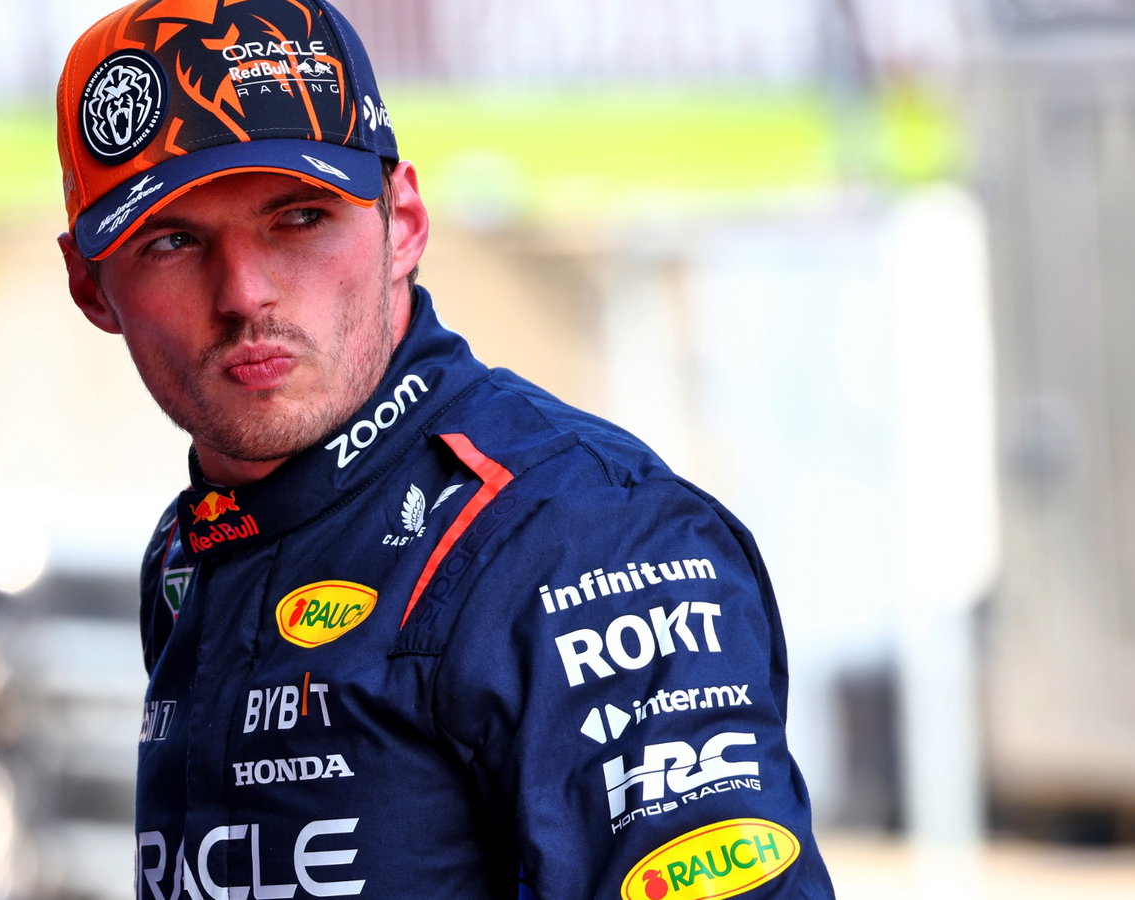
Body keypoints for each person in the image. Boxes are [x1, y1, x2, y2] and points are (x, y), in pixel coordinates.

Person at [54, 2, 835, 897]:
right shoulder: (195, 541)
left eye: (300, 218)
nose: (245, 294)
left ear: (406, 224)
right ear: (91, 285)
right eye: (174, 241)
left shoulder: (586, 540)